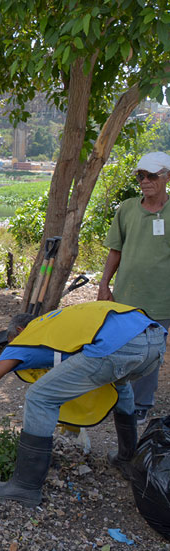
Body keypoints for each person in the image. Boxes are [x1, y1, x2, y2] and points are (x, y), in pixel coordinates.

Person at [0, 301, 167, 508]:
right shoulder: (56, 324)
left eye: (10, 339)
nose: (9, 348)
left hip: (119, 347)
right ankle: (126, 458)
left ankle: (25, 486)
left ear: (19, 331)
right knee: (120, 384)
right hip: (153, 336)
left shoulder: (26, 340)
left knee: (40, 397)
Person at [98, 151, 170, 424]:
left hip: (162, 297)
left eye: (152, 175)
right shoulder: (127, 209)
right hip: (126, 294)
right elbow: (115, 250)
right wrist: (104, 284)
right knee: (121, 347)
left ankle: (141, 403)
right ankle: (117, 397)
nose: (145, 181)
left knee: (152, 352)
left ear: (167, 177)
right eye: (141, 176)